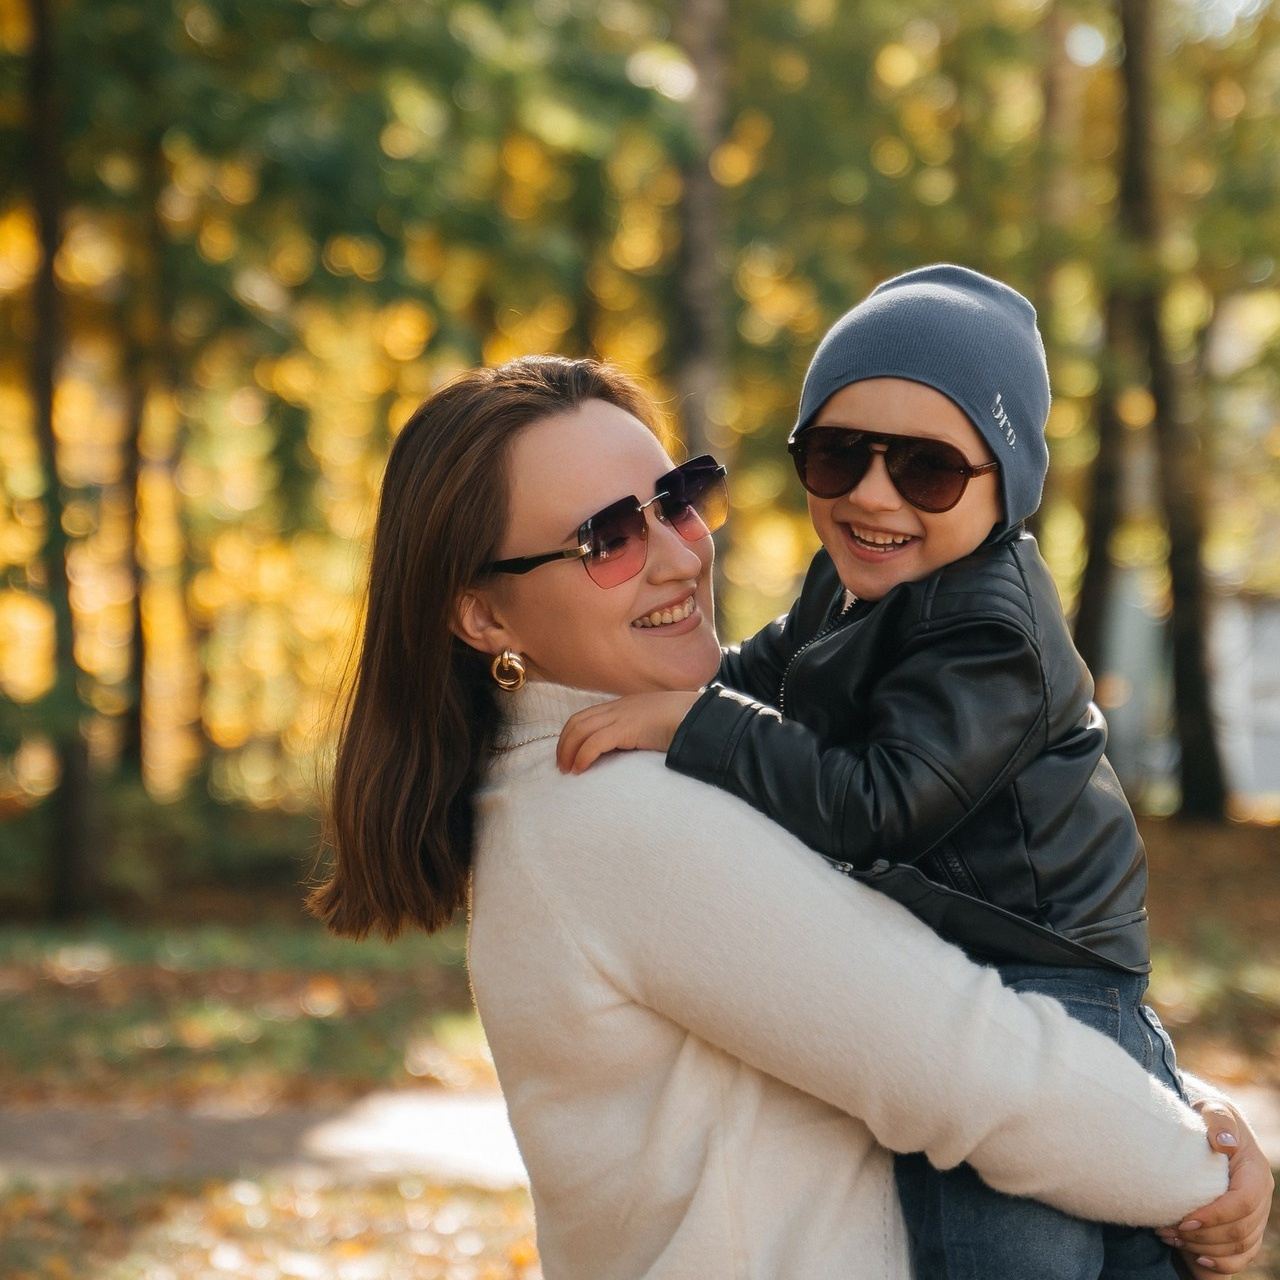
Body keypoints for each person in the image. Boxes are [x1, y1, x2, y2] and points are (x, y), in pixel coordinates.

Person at [309, 355, 1270, 1280]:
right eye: (608, 538)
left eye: (677, 500)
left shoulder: (615, 778)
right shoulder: (624, 816)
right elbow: (966, 1064)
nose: (681, 555)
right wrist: (1204, 1171)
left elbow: (910, 987)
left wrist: (1171, 1105)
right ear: (484, 617)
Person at [554, 268, 1269, 1277]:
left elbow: (877, 804)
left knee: (1000, 1248)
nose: (870, 495)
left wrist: (690, 724)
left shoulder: (990, 627)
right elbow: (763, 678)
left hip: (1048, 976)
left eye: (926, 471)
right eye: (836, 455)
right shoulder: (846, 580)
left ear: (1003, 485)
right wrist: (652, 689)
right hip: (972, 967)